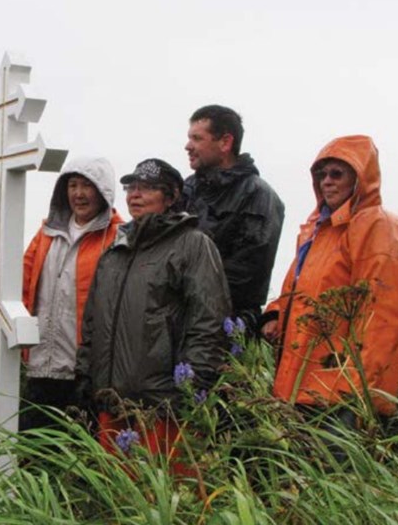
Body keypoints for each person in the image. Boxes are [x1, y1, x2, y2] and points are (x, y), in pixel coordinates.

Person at [76, 158, 230, 462]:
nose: (135, 194)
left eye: (147, 188)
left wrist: (192, 387)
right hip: (112, 403)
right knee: (116, 497)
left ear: (171, 197)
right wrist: (85, 376)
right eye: (132, 187)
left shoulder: (193, 244)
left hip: (164, 407)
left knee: (166, 499)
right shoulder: (113, 253)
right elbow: (93, 322)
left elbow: (209, 321)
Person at [261, 135, 398, 423]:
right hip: (302, 389)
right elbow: (304, 289)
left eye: (337, 174)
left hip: (339, 397)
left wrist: (357, 396)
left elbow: (382, 319)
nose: (326, 182)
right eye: (321, 174)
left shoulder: (377, 226)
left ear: (361, 178)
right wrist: (275, 313)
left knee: (335, 468)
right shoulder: (318, 232)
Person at [21, 157, 123, 430]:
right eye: (73, 185)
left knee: (80, 450)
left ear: (103, 191)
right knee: (35, 446)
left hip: (85, 370)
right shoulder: (46, 233)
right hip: (40, 364)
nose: (78, 194)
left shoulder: (118, 236)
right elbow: (24, 281)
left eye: (87, 186)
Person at [183, 105, 285, 337]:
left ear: (225, 142)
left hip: (227, 326)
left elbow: (247, 276)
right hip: (178, 321)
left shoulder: (259, 196)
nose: (188, 146)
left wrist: (183, 286)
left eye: (197, 138)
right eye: (189, 138)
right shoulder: (186, 190)